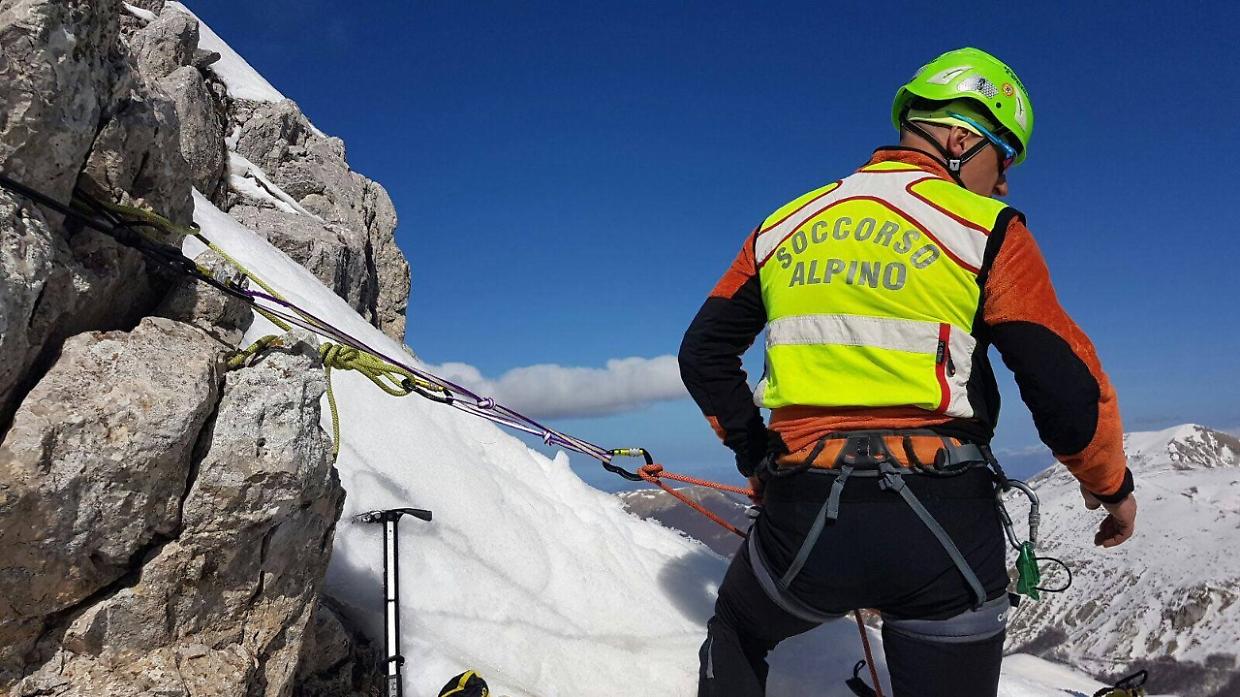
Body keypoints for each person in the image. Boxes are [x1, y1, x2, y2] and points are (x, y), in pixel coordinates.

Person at [678, 47, 1137, 697]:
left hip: (803, 515)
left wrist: (757, 457)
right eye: (1004, 157)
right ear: (961, 139)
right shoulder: (987, 227)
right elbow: (1064, 385)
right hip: (942, 521)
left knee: (737, 629)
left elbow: (702, 353)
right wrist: (1112, 487)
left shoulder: (783, 226)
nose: (1004, 182)